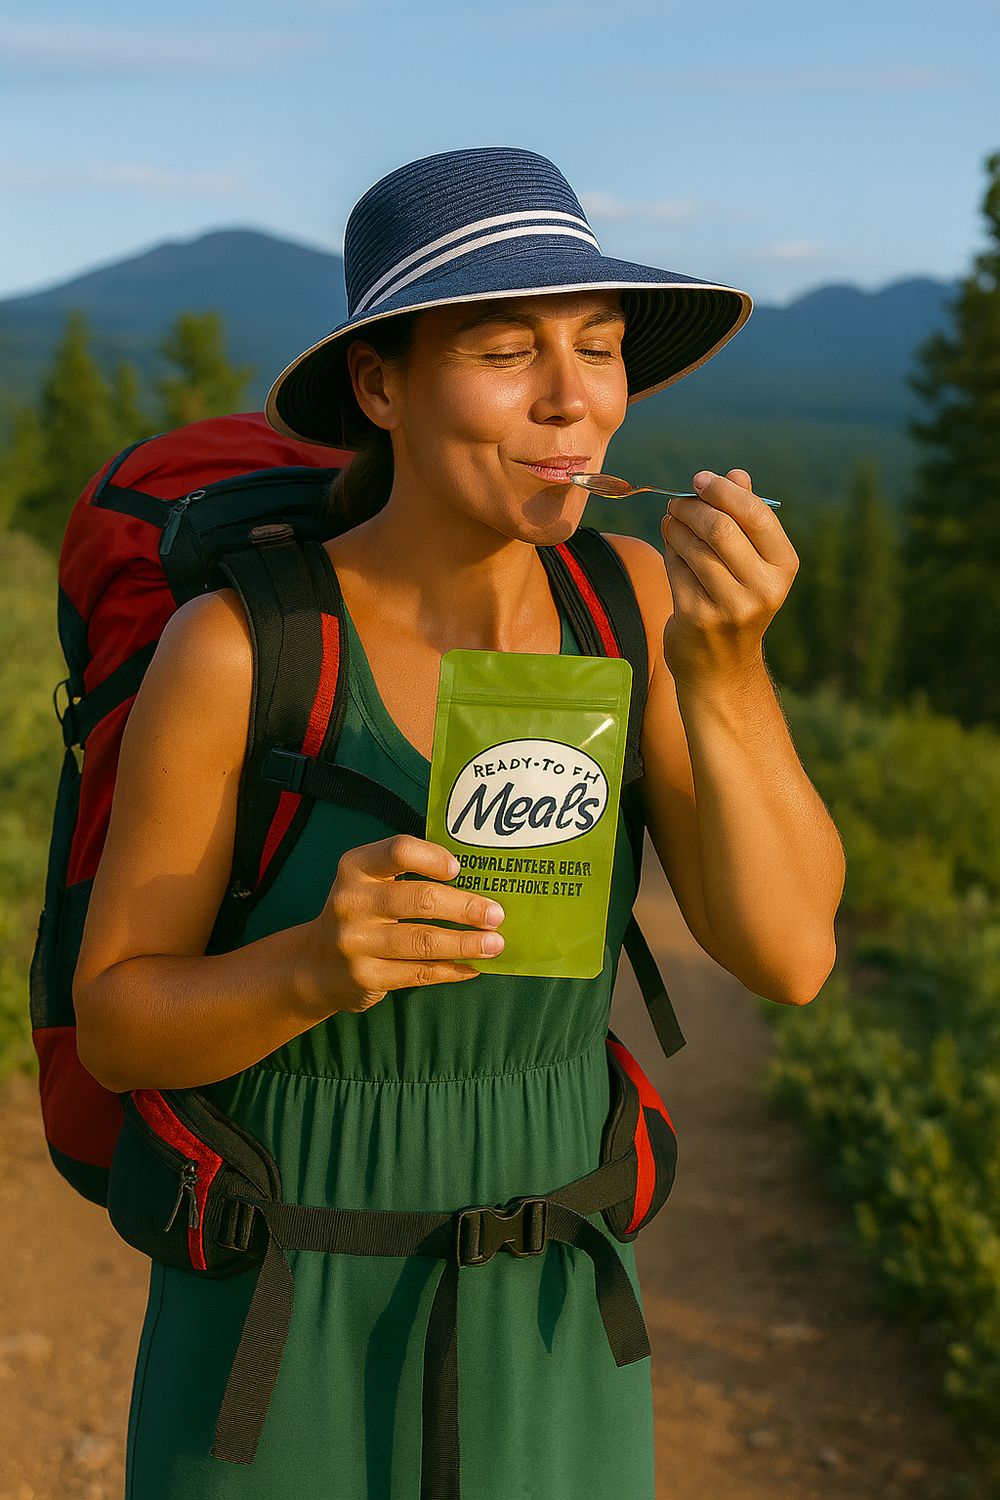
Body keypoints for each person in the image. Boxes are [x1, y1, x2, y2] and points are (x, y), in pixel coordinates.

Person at [74, 146, 844, 1499]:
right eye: (506, 351)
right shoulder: (245, 650)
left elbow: (790, 953)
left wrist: (727, 673)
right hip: (279, 1305)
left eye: (598, 349)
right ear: (382, 386)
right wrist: (311, 965)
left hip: (550, 1301)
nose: (573, 402)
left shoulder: (633, 605)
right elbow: (123, 1023)